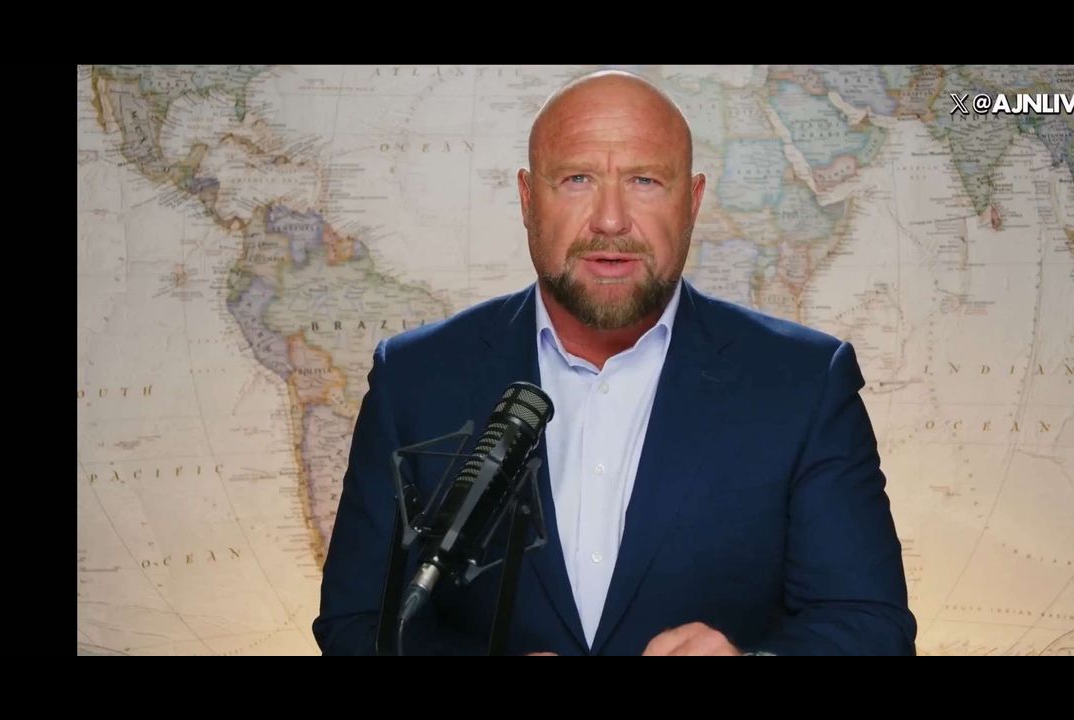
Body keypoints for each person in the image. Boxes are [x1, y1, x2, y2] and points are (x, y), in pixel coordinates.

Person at [313, 70, 917, 656]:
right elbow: (356, 623)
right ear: (527, 198)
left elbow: (870, 626)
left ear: (693, 201)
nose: (609, 219)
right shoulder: (412, 379)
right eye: (577, 179)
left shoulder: (806, 382)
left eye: (645, 181)